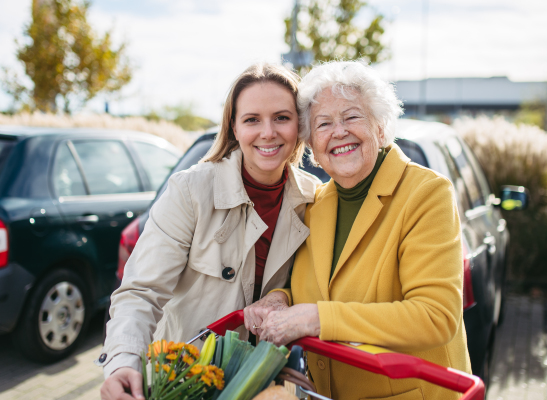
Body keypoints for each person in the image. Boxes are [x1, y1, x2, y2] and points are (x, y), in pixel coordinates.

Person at [246, 61, 471, 400]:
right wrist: (279, 300)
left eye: (352, 117)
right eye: (323, 124)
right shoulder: (316, 204)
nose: (338, 132)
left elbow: (434, 316)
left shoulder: (426, 194)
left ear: (381, 128)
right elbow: (311, 290)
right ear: (313, 149)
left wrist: (317, 319)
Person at [99, 63, 321, 400]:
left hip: (262, 382)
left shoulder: (313, 198)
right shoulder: (190, 191)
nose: (267, 132)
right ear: (234, 126)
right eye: (251, 120)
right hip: (182, 379)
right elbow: (141, 292)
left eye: (281, 117)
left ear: (299, 125)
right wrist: (122, 362)